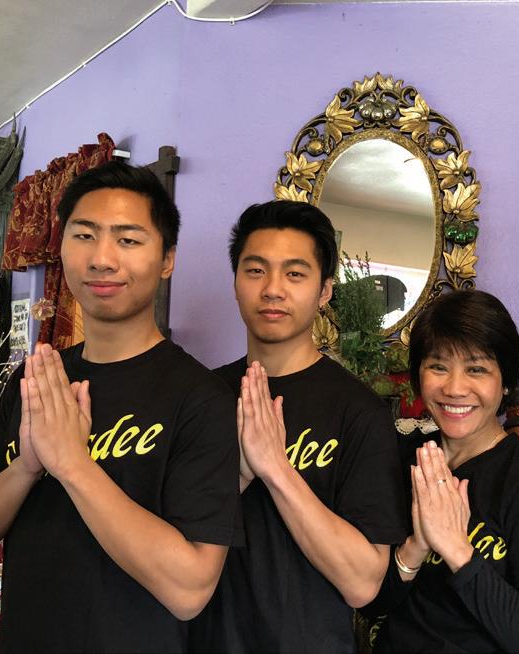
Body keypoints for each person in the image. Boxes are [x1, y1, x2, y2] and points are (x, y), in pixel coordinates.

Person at [0, 161, 242, 653]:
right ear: (62, 248)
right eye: (84, 235)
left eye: (128, 239)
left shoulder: (200, 399)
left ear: (167, 259)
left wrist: (72, 464)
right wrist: (27, 467)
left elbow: (190, 589)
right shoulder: (37, 380)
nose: (102, 259)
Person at [190, 200, 409, 653]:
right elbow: (167, 538)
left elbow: (363, 583)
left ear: (324, 290)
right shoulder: (200, 397)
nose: (273, 289)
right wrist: (238, 474)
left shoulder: (359, 411)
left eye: (294, 273)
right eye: (256, 271)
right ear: (235, 282)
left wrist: (276, 469)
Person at [362, 289, 519, 653]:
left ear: (506, 381)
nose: (454, 388)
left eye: (476, 369)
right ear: (418, 376)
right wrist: (416, 547)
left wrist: (457, 550)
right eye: (438, 366)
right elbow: (372, 604)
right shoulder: (403, 458)